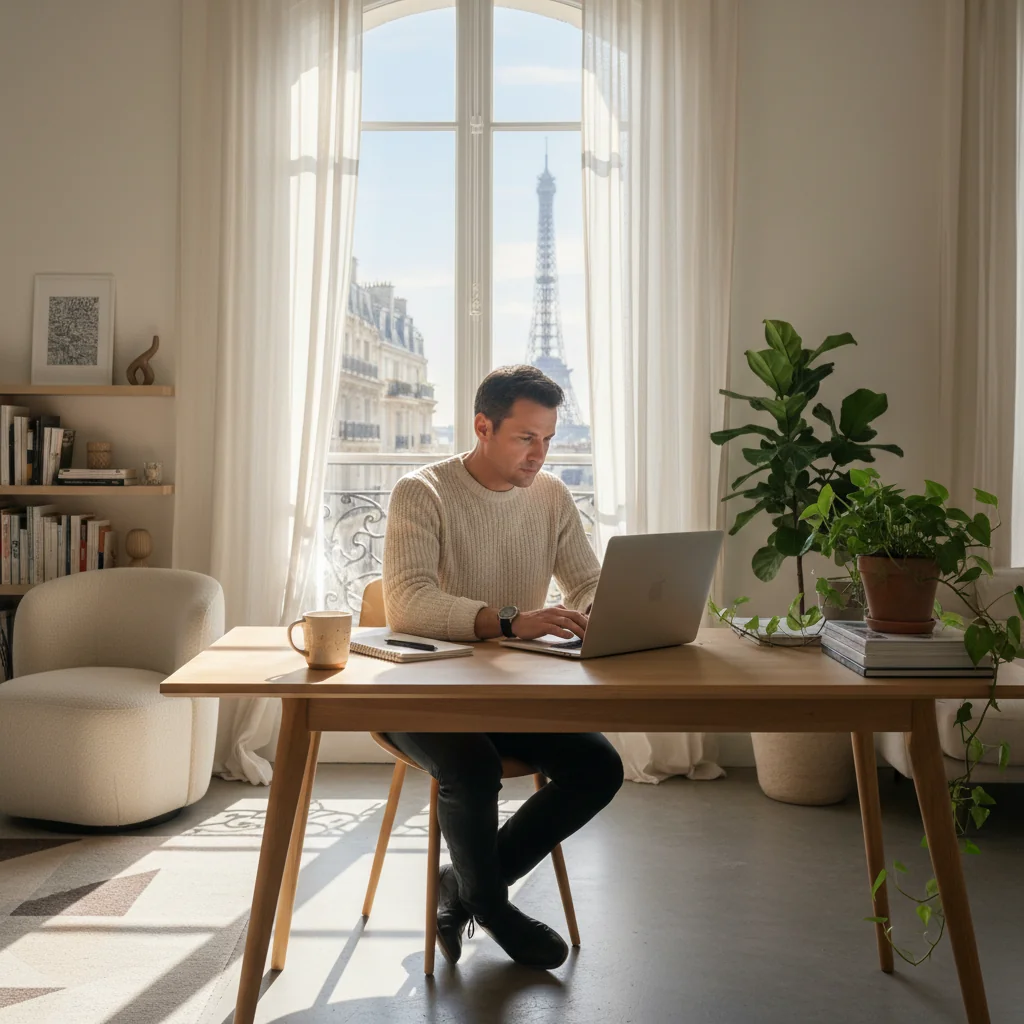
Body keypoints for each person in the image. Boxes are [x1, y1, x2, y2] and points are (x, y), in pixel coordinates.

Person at [381, 364, 624, 971]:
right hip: (421, 694)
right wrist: (511, 619)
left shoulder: (552, 496)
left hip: (511, 693)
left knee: (599, 767)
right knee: (471, 762)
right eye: (525, 438)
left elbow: (587, 581)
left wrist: (602, 612)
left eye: (548, 439)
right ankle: (492, 908)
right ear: (482, 427)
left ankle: (462, 888)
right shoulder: (423, 491)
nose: (540, 454)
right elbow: (407, 601)